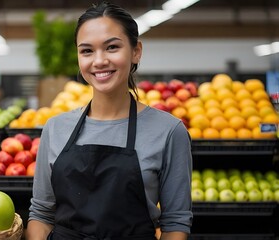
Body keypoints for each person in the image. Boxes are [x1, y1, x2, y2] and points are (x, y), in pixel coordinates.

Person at [26, 2, 193, 239]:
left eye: (112, 47)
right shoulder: (56, 128)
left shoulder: (168, 131)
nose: (99, 61)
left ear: (136, 51)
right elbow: (41, 215)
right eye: (87, 51)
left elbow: (175, 222)